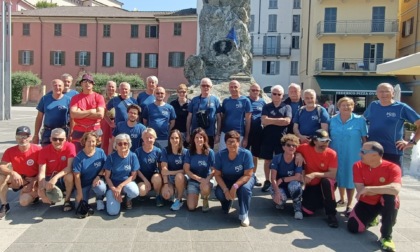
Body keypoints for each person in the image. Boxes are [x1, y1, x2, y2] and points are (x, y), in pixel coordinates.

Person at [347, 141, 401, 252]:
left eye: (363, 152)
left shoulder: (393, 168)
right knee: (353, 228)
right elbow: (360, 190)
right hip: (367, 201)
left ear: (374, 155)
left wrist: (369, 189)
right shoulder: (357, 166)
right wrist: (381, 189)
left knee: (390, 198)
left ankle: (386, 237)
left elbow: (395, 189)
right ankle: (373, 219)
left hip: (384, 202)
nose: (359, 154)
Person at [364, 83, 420, 167]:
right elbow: (361, 121)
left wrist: (412, 142)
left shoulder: (401, 107)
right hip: (373, 150)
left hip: (392, 151)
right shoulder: (373, 105)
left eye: (387, 91)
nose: (384, 94)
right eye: (381, 91)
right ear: (377, 93)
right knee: (372, 179)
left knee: (392, 179)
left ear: (393, 93)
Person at [329, 97, 367, 215]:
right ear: (338, 107)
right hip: (336, 153)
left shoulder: (360, 120)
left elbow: (364, 139)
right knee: (338, 176)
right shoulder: (332, 120)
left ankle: (350, 204)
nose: (346, 107)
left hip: (352, 153)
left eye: (349, 105)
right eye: (343, 105)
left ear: (353, 107)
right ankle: (341, 198)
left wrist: (365, 155)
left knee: (350, 177)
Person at [296, 129, 339, 228]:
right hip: (312, 185)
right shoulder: (304, 148)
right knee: (306, 212)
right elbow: (294, 150)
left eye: (327, 141)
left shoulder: (332, 153)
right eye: (322, 141)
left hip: (326, 183)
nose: (325, 143)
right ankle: (320, 203)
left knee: (327, 182)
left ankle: (331, 214)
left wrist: (314, 174)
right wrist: (299, 155)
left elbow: (332, 174)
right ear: (314, 141)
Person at [214, 130, 255, 227]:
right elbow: (217, 175)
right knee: (219, 192)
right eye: (229, 141)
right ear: (225, 143)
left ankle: (244, 214)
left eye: (234, 141)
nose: (232, 144)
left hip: (244, 179)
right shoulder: (220, 155)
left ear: (238, 142)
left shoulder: (246, 154)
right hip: (227, 178)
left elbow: (248, 175)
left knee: (244, 190)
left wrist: (235, 186)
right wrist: (225, 189)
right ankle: (226, 203)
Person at [0, 126, 42, 219]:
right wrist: (12, 173)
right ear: (15, 138)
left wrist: (33, 181)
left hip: (34, 179)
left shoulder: (38, 150)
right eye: (19, 136)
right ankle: (4, 205)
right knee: (1, 177)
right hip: (19, 178)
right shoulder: (10, 151)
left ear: (30, 137)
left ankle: (34, 196)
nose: (22, 139)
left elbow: (43, 170)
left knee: (24, 202)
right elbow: (2, 166)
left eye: (25, 136)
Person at [260, 85, 292, 192]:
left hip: (281, 139)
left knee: (280, 160)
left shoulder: (287, 107)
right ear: (271, 94)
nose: (276, 96)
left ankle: (278, 180)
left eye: (279, 94)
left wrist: (271, 120)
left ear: (282, 95)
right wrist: (280, 120)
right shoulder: (266, 106)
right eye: (274, 93)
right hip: (267, 137)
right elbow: (264, 121)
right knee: (267, 161)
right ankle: (267, 181)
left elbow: (287, 121)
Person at [38, 128, 75, 212]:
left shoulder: (70, 146)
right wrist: (41, 189)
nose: (57, 141)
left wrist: (55, 178)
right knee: (46, 198)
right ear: (50, 139)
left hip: (62, 176)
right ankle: (50, 193)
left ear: (65, 139)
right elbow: (41, 173)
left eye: (61, 139)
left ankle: (67, 200)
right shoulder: (44, 151)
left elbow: (69, 167)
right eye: (54, 139)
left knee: (69, 176)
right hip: (49, 176)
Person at [104, 133, 140, 216]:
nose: (123, 146)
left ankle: (127, 199)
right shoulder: (111, 158)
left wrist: (120, 187)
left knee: (134, 191)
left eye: (125, 143)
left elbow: (133, 176)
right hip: (113, 185)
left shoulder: (132, 156)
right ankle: (116, 198)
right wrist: (114, 189)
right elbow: (107, 177)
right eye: (119, 144)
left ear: (129, 144)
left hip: (126, 184)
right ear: (115, 145)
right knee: (113, 212)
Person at [270, 134, 303, 220]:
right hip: (279, 186)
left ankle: (297, 209)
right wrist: (277, 192)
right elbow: (273, 178)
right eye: (288, 145)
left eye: (294, 145)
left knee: (294, 185)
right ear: (283, 147)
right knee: (280, 202)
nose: (291, 147)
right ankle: (281, 201)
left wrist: (283, 179)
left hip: (291, 185)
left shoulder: (298, 159)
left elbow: (298, 177)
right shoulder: (277, 158)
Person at [69, 73, 105, 152]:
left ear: (93, 84)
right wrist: (91, 111)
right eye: (84, 81)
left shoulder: (99, 97)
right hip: (79, 130)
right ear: (81, 84)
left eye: (89, 82)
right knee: (77, 154)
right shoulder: (75, 98)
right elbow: (73, 114)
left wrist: (81, 113)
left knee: (95, 154)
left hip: (95, 130)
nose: (87, 83)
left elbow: (100, 115)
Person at [73, 132, 107, 212]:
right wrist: (79, 193)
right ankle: (83, 196)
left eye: (93, 141)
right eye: (88, 141)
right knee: (80, 208)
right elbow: (77, 177)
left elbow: (105, 166)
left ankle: (99, 199)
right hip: (83, 184)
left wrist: (98, 177)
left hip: (96, 181)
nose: (91, 143)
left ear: (96, 142)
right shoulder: (79, 157)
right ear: (84, 141)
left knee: (101, 188)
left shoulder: (100, 152)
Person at [184, 128, 215, 212]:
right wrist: (198, 179)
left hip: (206, 180)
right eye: (196, 137)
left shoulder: (210, 152)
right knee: (191, 207)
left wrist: (206, 179)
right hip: (194, 180)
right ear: (193, 139)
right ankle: (192, 195)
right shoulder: (189, 152)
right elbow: (187, 170)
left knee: (204, 187)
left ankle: (205, 198)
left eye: (201, 137)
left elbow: (213, 170)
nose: (199, 140)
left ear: (204, 139)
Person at [33, 79, 71, 146]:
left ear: (63, 87)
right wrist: (36, 134)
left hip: (62, 131)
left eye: (59, 86)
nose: (57, 87)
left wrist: (71, 133)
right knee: (46, 153)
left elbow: (72, 118)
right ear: (52, 87)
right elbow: (39, 117)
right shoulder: (45, 99)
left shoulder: (68, 100)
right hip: (48, 132)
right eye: (55, 85)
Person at [186, 78, 222, 149]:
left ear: (211, 87)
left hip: (210, 133)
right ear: (200, 87)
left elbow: (219, 118)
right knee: (195, 153)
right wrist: (188, 133)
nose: (205, 87)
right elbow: (189, 117)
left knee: (208, 153)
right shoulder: (194, 100)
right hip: (195, 133)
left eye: (208, 86)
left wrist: (218, 134)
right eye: (203, 85)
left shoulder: (215, 100)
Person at [219, 80, 252, 150]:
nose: (233, 89)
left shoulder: (245, 101)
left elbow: (248, 121)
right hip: (225, 133)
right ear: (229, 88)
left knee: (237, 157)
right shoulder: (226, 101)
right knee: (222, 155)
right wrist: (219, 133)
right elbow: (222, 118)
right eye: (231, 87)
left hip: (239, 134)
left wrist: (246, 138)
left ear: (239, 88)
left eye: (235, 87)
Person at [135, 128, 164, 207]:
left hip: (153, 175)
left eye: (151, 137)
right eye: (146, 137)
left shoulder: (158, 151)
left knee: (157, 177)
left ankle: (158, 195)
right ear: (143, 139)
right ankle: (143, 196)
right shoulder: (138, 151)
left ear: (154, 138)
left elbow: (161, 167)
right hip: (142, 177)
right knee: (142, 191)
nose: (149, 139)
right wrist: (145, 180)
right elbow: (136, 169)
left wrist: (163, 181)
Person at [161, 129, 188, 211]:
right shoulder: (165, 150)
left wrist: (170, 172)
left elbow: (184, 170)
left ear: (180, 139)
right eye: (172, 138)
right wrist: (165, 184)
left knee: (179, 176)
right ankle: (173, 192)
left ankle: (179, 199)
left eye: (176, 138)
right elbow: (164, 169)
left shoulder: (185, 152)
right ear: (169, 139)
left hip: (181, 178)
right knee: (166, 195)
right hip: (169, 178)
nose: (174, 140)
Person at [245, 83, 266, 187]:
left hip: (258, 131)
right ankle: (244, 176)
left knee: (255, 155)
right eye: (253, 90)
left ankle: (253, 175)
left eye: (257, 90)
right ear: (249, 91)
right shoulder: (245, 100)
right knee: (244, 154)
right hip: (246, 131)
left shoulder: (262, 101)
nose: (255, 92)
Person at [101, 80, 118, 154]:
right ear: (106, 87)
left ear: (115, 88)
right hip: (105, 121)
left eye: (112, 87)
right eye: (109, 87)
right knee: (104, 140)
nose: (111, 88)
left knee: (114, 140)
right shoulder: (102, 98)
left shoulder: (119, 97)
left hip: (115, 121)